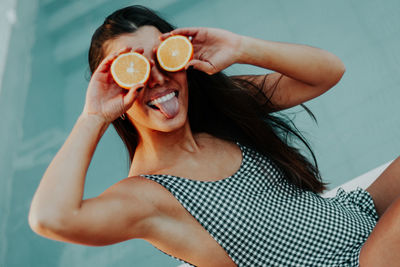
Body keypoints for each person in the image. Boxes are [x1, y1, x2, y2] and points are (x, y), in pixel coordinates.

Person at [28, 5, 400, 267]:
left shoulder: (220, 112)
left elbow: (328, 72)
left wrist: (240, 47)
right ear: (113, 86)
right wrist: (93, 116)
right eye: (136, 68)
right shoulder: (149, 195)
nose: (157, 77)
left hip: (354, 215)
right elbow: (50, 218)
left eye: (162, 57)